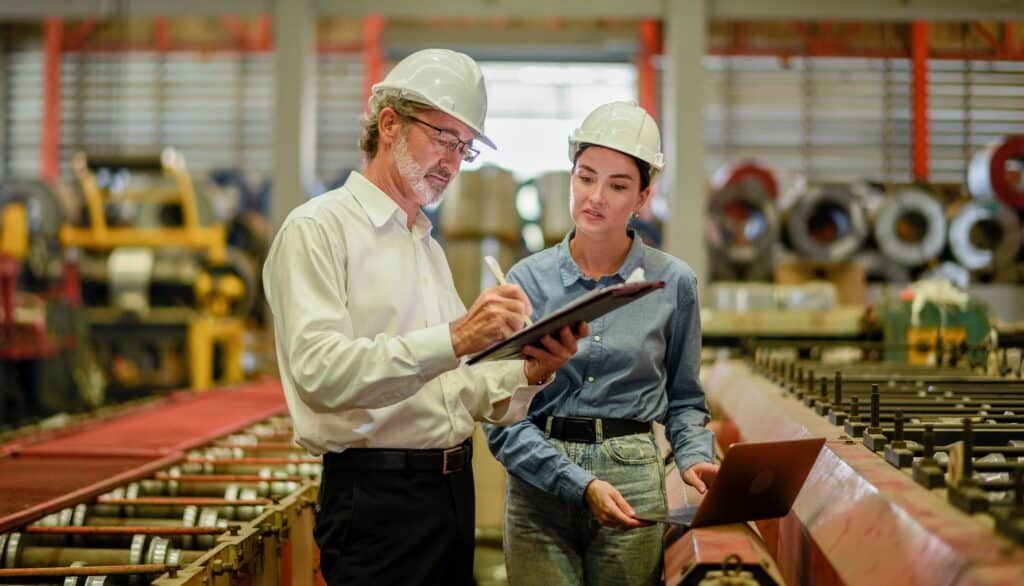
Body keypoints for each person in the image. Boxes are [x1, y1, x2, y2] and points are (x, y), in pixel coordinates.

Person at [262, 48, 587, 586]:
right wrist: (459, 335)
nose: (453, 163)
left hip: (449, 494)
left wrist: (528, 370)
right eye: (443, 138)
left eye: (464, 148)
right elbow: (320, 374)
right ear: (389, 124)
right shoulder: (318, 231)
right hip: (378, 502)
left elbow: (454, 386)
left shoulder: (424, 245)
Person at [485, 100, 718, 585]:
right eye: (586, 177)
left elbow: (686, 399)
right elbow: (502, 413)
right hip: (537, 481)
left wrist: (696, 457)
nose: (596, 196)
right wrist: (578, 483)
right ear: (570, 178)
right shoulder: (526, 280)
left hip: (633, 478)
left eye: (618, 185)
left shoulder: (673, 283)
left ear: (643, 197)